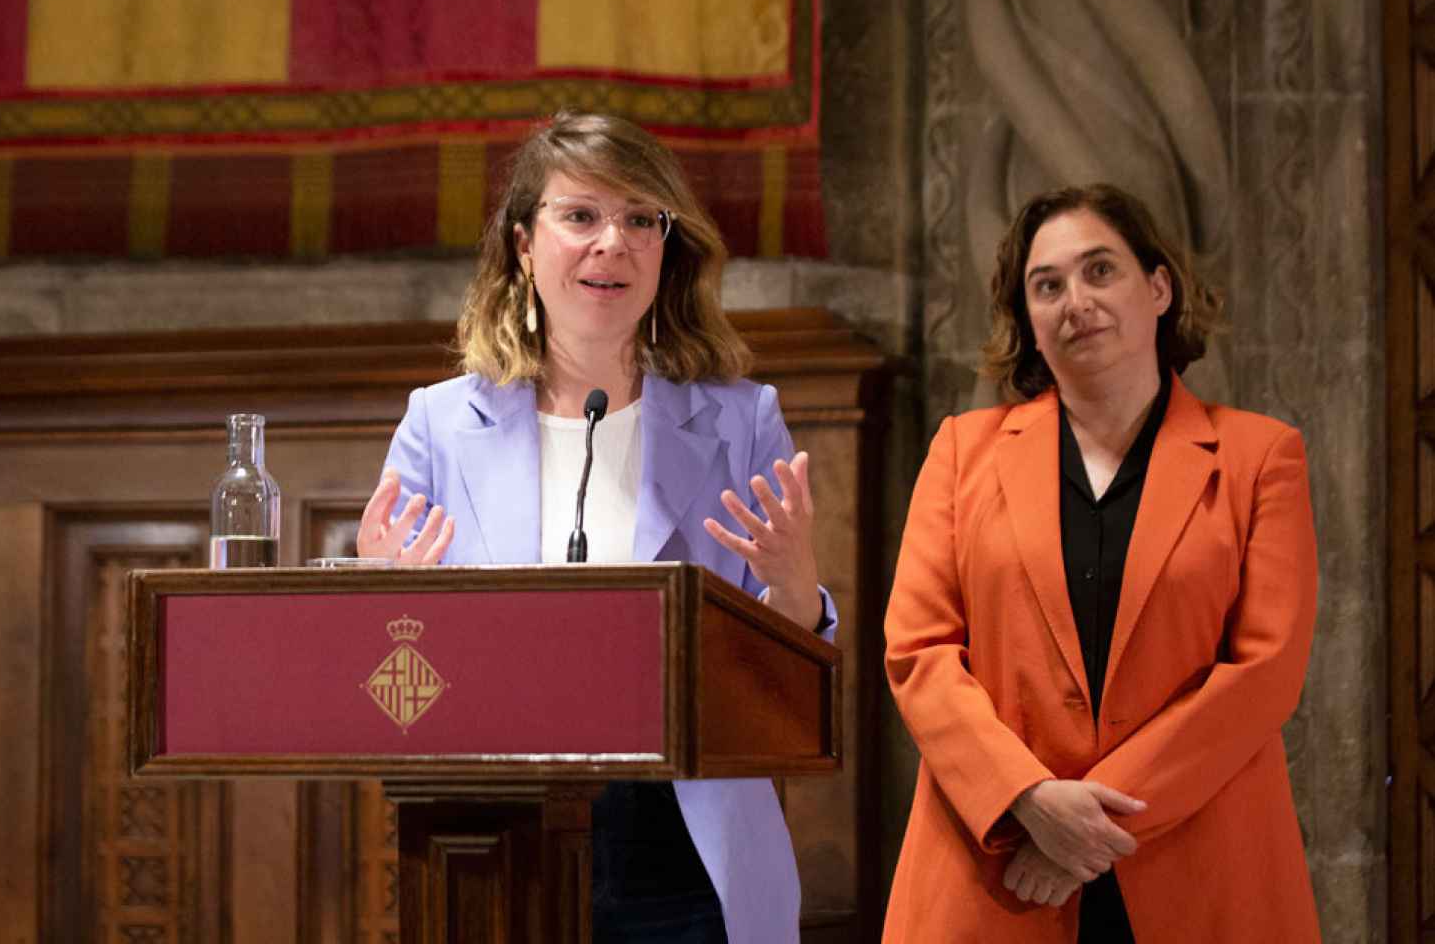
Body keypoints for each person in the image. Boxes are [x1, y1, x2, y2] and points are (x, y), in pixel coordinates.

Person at [352, 112, 837, 943]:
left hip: (689, 849)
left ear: (665, 249)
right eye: (580, 216)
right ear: (522, 245)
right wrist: (379, 600)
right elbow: (388, 676)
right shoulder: (438, 426)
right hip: (498, 842)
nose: (611, 242)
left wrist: (796, 593)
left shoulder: (742, 422)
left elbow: (786, 689)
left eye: (640, 219)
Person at [881, 183, 1320, 942]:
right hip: (1000, 865)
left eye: (1099, 271)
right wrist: (1027, 800)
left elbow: (1265, 670)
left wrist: (1085, 825)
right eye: (1046, 286)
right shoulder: (962, 452)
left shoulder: (1260, 457)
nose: (1075, 300)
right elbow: (918, 652)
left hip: (1200, 865)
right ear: (1030, 323)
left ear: (1158, 288)